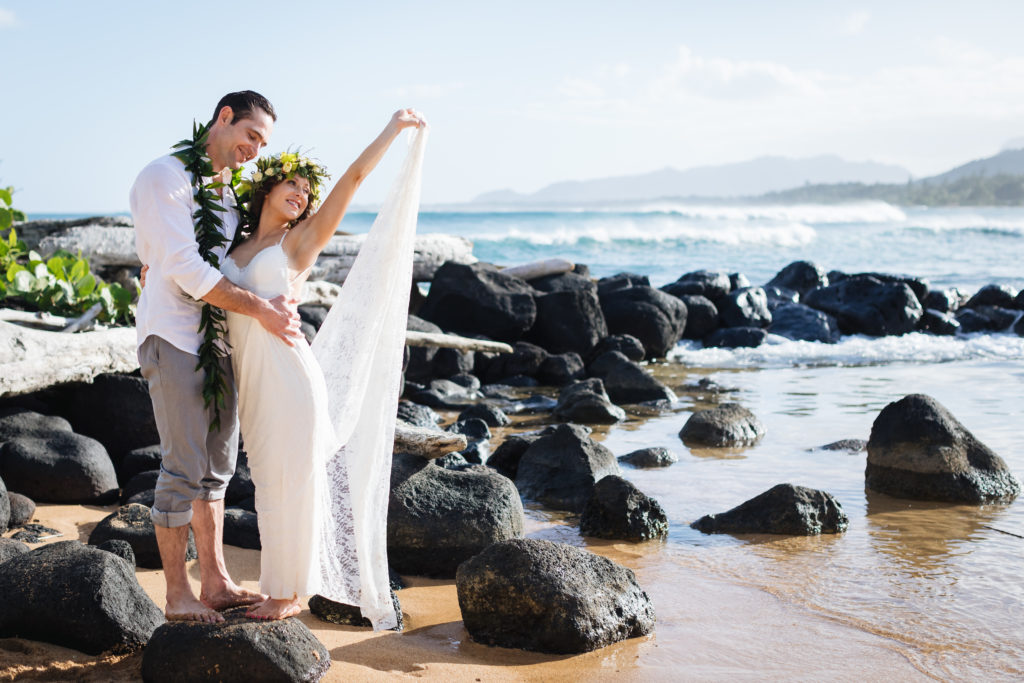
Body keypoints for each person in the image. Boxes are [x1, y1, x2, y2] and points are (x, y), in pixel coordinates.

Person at [222, 108, 426, 620]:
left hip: (290, 376)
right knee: (269, 480)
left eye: (306, 191)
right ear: (266, 189)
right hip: (252, 379)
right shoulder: (237, 242)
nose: (300, 194)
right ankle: (278, 588)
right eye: (290, 183)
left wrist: (392, 129)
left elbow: (354, 180)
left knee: (295, 479)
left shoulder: (299, 241)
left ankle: (290, 595)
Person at [130, 90, 303, 624]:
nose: (255, 148)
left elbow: (238, 258)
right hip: (174, 336)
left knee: (217, 471)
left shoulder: (224, 191)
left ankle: (217, 581)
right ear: (223, 119)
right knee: (183, 467)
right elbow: (187, 269)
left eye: (264, 142)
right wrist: (261, 310)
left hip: (219, 338)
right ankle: (177, 595)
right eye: (251, 135)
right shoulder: (165, 177)